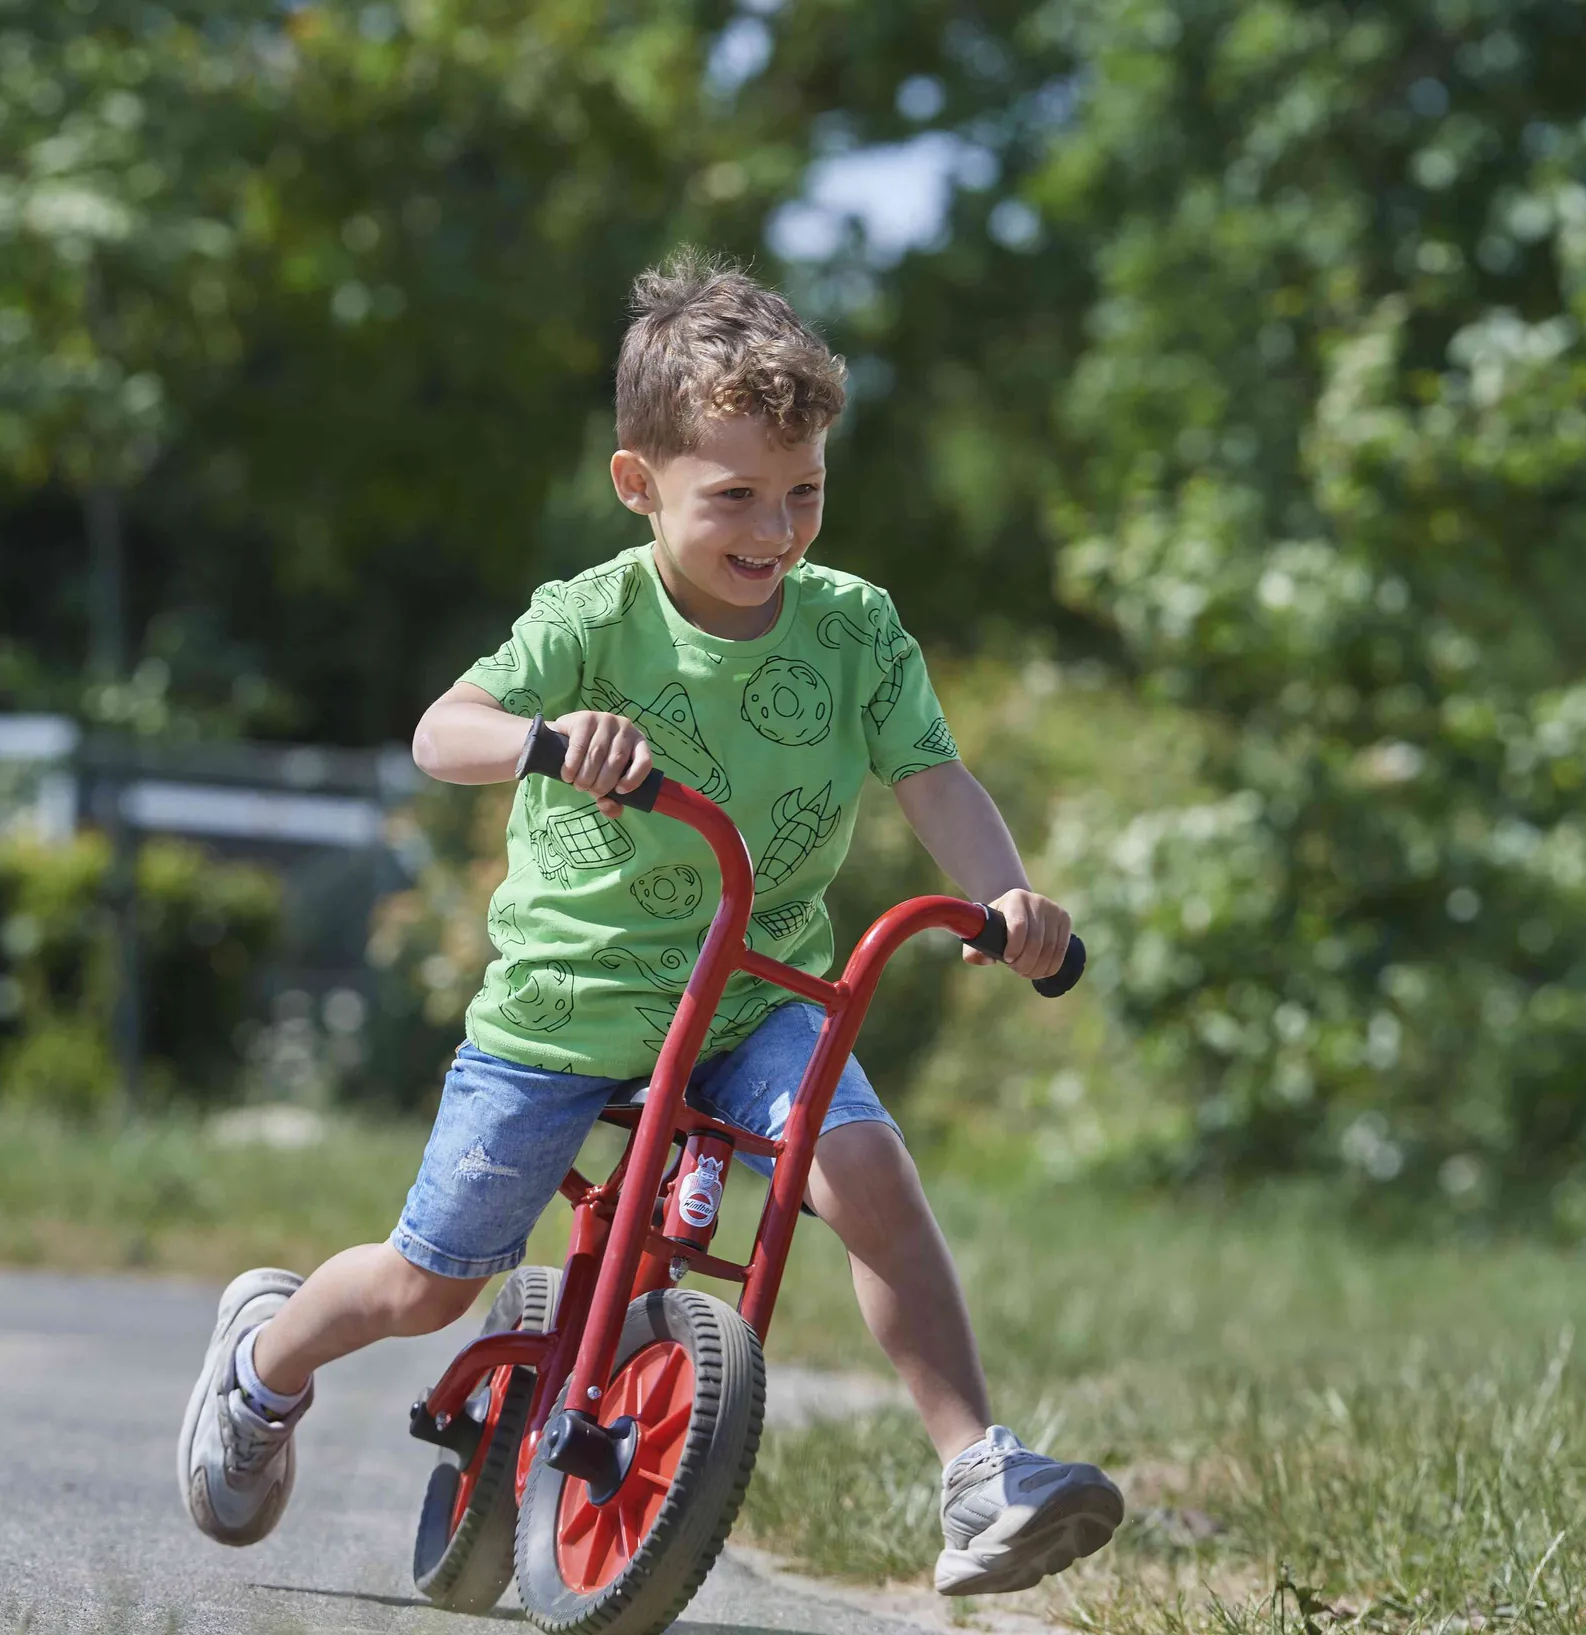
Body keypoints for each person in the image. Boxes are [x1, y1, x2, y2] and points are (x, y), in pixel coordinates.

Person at [178, 249, 1124, 1596]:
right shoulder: (594, 615)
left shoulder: (853, 630)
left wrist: (1007, 895)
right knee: (430, 1282)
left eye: (804, 494)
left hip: (751, 994)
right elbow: (445, 731)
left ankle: (979, 1471)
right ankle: (267, 1364)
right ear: (640, 484)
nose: (775, 531)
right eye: (733, 496)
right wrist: (550, 740)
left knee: (870, 1181)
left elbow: (934, 775)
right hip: (565, 1005)